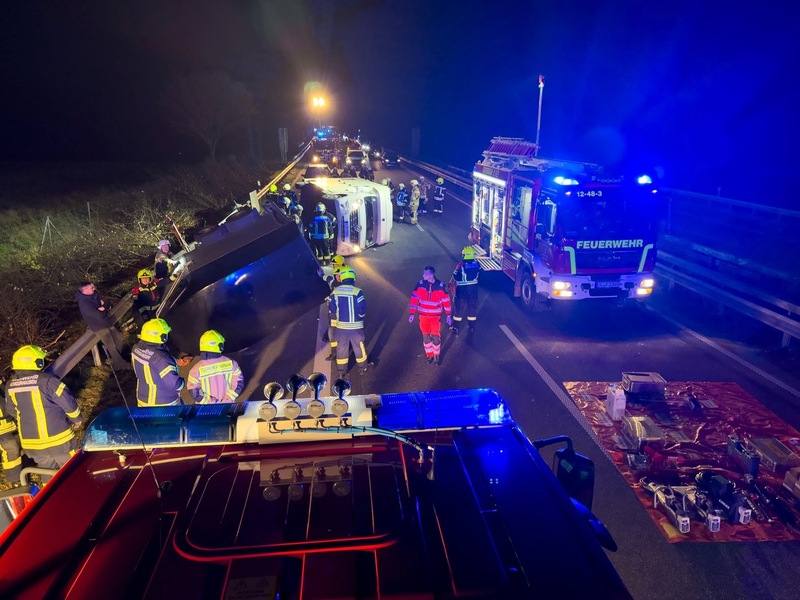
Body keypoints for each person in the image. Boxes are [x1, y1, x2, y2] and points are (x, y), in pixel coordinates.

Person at [5, 345, 81, 469]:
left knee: (47, 473)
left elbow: (12, 411)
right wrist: (77, 419)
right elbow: (68, 403)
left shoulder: (10, 385)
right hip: (59, 440)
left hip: (31, 443)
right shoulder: (48, 380)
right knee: (73, 469)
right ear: (37, 362)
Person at [75, 280, 130, 371]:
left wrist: (103, 307)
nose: (93, 287)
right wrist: (103, 309)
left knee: (118, 339)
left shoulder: (94, 295)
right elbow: (98, 316)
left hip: (106, 322)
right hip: (98, 327)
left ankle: (117, 363)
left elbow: (106, 302)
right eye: (91, 287)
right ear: (85, 290)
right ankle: (122, 364)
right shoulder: (84, 304)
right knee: (111, 345)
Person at [131, 318, 185, 407]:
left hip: (142, 400)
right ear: (163, 337)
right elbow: (174, 384)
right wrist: (182, 383)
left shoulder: (135, 349)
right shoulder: (162, 358)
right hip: (163, 403)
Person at [328, 267, 369, 375]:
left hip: (341, 328)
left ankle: (341, 371)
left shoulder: (335, 291)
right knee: (359, 348)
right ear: (353, 277)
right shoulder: (357, 292)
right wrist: (360, 317)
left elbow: (332, 309)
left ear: (342, 278)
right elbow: (362, 309)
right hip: (356, 328)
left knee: (341, 349)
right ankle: (362, 368)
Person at [408, 266, 452, 365]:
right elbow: (414, 299)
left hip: (435, 318)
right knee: (426, 337)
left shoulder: (440, 286)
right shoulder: (420, 285)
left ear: (431, 275)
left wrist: (448, 315)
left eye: (425, 274)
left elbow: (446, 301)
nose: (423, 275)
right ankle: (429, 355)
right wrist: (411, 313)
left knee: (436, 338)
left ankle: (436, 356)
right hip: (423, 317)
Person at [186, 330, 244, 404]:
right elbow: (239, 383)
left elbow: (194, 391)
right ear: (220, 346)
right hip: (227, 406)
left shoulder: (195, 370)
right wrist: (227, 399)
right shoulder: (231, 363)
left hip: (205, 409)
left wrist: (210, 402)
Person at [449, 246, 481, 334]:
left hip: (462, 290)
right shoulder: (477, 264)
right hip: (473, 289)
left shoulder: (460, 265)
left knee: (459, 308)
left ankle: (456, 328)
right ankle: (471, 327)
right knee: (472, 307)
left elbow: (456, 276)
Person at [0, 379, 23, 486]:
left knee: (19, 446)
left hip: (11, 423)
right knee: (11, 449)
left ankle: (21, 475)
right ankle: (15, 481)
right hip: (2, 428)